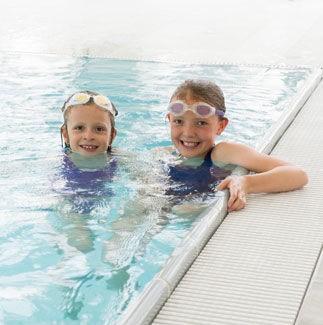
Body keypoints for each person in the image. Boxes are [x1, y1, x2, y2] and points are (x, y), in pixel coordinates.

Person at [162, 79, 308, 212]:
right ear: (170, 119)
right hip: (169, 209)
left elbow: (297, 174)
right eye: (179, 121)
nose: (188, 133)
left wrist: (246, 183)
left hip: (190, 210)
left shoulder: (222, 153)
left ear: (221, 126)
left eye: (201, 123)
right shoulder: (164, 155)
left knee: (184, 211)